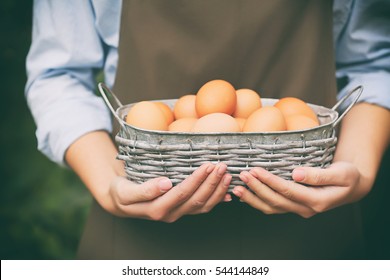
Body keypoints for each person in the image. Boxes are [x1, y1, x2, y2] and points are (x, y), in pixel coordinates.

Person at [25, 0, 390, 259]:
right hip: (141, 235)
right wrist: (107, 180)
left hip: (313, 233)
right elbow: (59, 76)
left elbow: (374, 62)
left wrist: (357, 165)